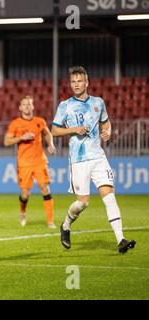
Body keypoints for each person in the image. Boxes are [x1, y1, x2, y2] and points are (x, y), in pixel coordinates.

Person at [51, 66, 136, 254]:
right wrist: (73, 129)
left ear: (87, 83)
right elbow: (55, 130)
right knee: (82, 203)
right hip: (79, 160)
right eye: (73, 82)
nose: (76, 85)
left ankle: (120, 239)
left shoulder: (98, 103)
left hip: (98, 157)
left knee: (110, 197)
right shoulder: (65, 105)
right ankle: (65, 225)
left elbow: (106, 123)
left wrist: (108, 132)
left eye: (79, 81)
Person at [4, 95, 56, 228]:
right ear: (20, 107)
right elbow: (7, 141)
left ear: (33, 106)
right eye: (24, 104)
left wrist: (51, 144)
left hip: (40, 161)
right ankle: (23, 212)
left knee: (45, 188)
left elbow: (47, 133)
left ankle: (50, 221)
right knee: (25, 194)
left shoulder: (40, 121)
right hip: (24, 163)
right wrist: (21, 138)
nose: (27, 106)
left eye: (29, 104)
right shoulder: (15, 124)